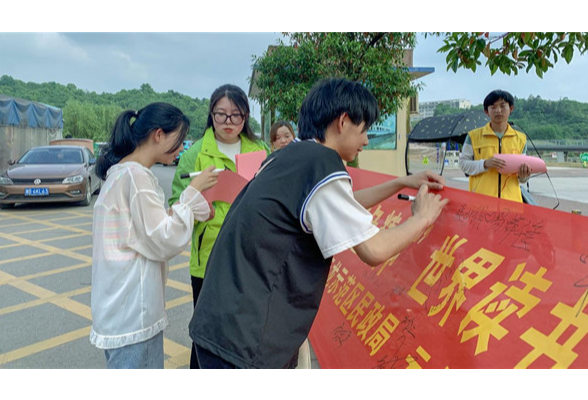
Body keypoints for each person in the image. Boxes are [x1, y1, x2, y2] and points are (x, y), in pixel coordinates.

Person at [190, 78, 449, 369]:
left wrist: (400, 182)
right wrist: (423, 218)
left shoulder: (288, 156)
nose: (366, 140)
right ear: (343, 121)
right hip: (246, 339)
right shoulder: (321, 164)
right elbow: (374, 249)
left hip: (220, 322)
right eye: (364, 130)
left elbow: (338, 206)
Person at [91, 103, 219, 369]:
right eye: (179, 140)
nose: (181, 148)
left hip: (119, 311)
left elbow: (147, 231)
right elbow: (164, 239)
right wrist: (192, 193)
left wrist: (190, 209)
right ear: (158, 134)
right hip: (133, 313)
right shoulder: (136, 178)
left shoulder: (121, 174)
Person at [169, 84, 270, 369]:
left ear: (246, 116)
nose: (228, 122)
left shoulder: (259, 150)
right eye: (221, 115)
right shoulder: (197, 153)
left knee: (243, 329)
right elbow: (176, 201)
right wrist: (200, 209)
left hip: (250, 256)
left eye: (236, 115)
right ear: (211, 115)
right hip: (209, 258)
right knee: (205, 331)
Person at [459, 90, 530, 202]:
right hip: (480, 203)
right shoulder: (473, 136)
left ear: (511, 109)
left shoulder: (521, 139)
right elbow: (463, 164)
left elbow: (522, 179)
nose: (498, 111)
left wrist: (524, 175)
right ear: (486, 111)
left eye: (502, 106)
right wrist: (485, 164)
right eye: (493, 107)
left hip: (512, 203)